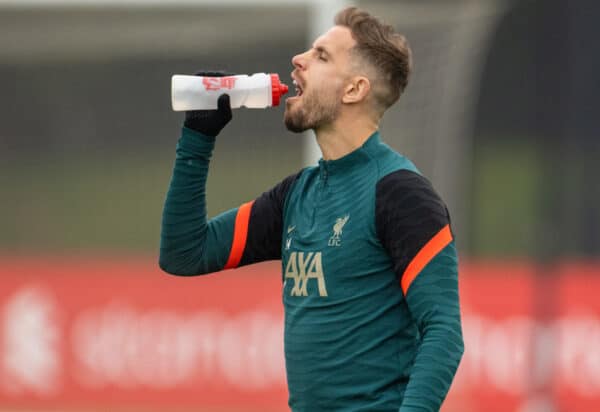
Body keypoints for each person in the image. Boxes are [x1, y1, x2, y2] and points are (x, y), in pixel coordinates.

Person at [159, 6, 464, 412]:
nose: (297, 60)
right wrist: (198, 137)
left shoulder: (401, 193)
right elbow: (184, 253)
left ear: (354, 90)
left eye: (321, 56)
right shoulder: (297, 194)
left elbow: (444, 332)